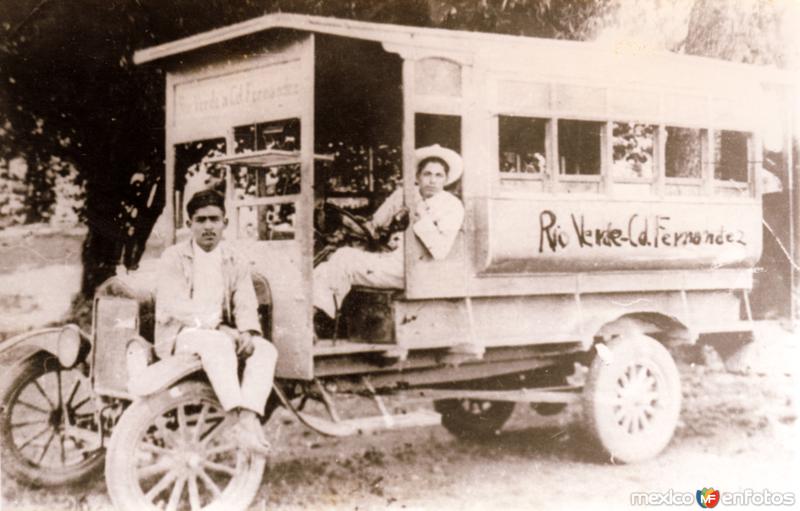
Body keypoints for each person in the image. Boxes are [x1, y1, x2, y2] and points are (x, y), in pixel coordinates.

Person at [155, 189, 277, 456]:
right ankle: (233, 416)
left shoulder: (234, 259)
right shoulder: (173, 258)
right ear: (189, 225)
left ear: (225, 223)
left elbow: (245, 301)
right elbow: (175, 305)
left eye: (214, 219)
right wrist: (218, 326)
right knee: (218, 343)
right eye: (200, 220)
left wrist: (246, 331)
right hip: (180, 335)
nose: (208, 227)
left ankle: (248, 419)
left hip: (222, 334)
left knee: (265, 349)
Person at [313, 144, 465, 327]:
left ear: (446, 179)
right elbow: (375, 224)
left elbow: (440, 251)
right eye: (427, 174)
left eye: (438, 175)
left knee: (343, 260)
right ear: (418, 176)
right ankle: (317, 317)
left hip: (423, 269)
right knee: (328, 265)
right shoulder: (405, 195)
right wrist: (354, 227)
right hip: (394, 261)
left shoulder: (452, 206)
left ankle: (314, 319)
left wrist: (419, 217)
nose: (432, 180)